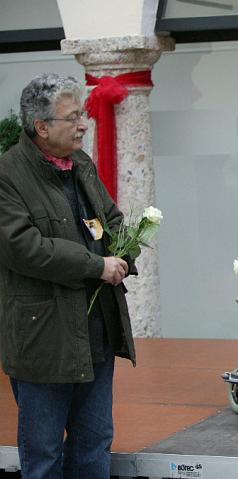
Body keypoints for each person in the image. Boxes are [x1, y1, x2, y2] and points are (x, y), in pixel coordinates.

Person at [0, 73, 135, 478]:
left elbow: (110, 220)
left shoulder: (80, 163)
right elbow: (24, 248)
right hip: (43, 339)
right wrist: (97, 266)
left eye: (83, 115)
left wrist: (124, 252)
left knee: (94, 449)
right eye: (73, 117)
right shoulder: (7, 175)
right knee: (43, 458)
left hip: (95, 332)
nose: (83, 124)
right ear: (41, 127)